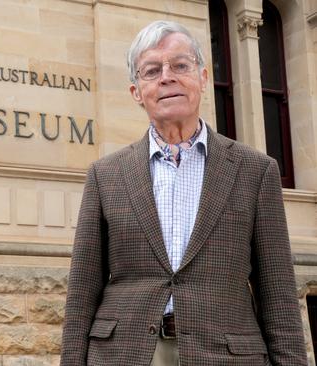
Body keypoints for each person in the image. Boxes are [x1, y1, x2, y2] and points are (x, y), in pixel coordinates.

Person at [60, 20, 306, 366]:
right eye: (152, 70)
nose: (167, 77)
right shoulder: (106, 174)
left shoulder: (255, 171)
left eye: (180, 65)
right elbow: (83, 290)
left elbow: (277, 292)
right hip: (125, 354)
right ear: (136, 91)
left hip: (226, 355)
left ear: (203, 78)